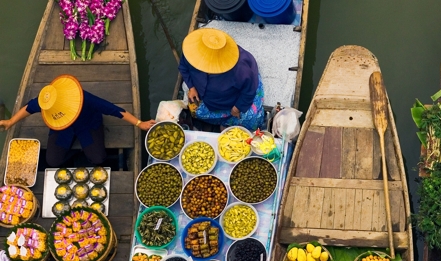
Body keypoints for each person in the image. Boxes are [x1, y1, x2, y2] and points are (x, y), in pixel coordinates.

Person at [0, 74, 155, 167]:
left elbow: (113, 110)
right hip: (62, 128)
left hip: (87, 126)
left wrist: (139, 123)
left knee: (98, 158)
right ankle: (75, 153)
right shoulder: (48, 100)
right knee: (53, 161)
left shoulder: (84, 98)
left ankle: (86, 150)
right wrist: (10, 122)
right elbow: (29, 107)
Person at [179, 28, 265, 131]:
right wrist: (192, 87)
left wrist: (237, 108)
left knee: (251, 118)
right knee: (196, 113)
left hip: (232, 99)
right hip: (210, 100)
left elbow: (249, 90)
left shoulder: (239, 69)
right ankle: (225, 122)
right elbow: (183, 67)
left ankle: (229, 122)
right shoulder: (192, 54)